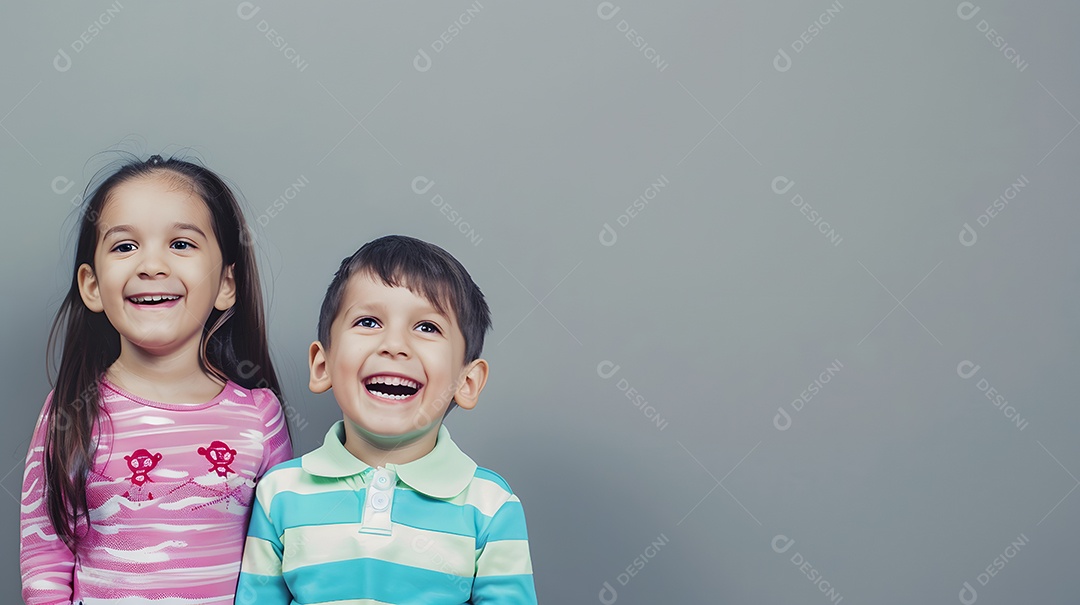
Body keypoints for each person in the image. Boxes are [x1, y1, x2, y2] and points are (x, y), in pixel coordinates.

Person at [20, 155, 293, 604]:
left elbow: (275, 562)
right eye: (125, 246)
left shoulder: (259, 418)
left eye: (181, 244)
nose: (151, 265)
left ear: (227, 283)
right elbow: (45, 564)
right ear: (91, 285)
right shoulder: (71, 410)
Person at [237, 235, 537, 604]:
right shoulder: (279, 493)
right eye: (368, 321)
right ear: (322, 365)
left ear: (467, 381)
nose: (394, 345)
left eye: (427, 327)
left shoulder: (491, 506)